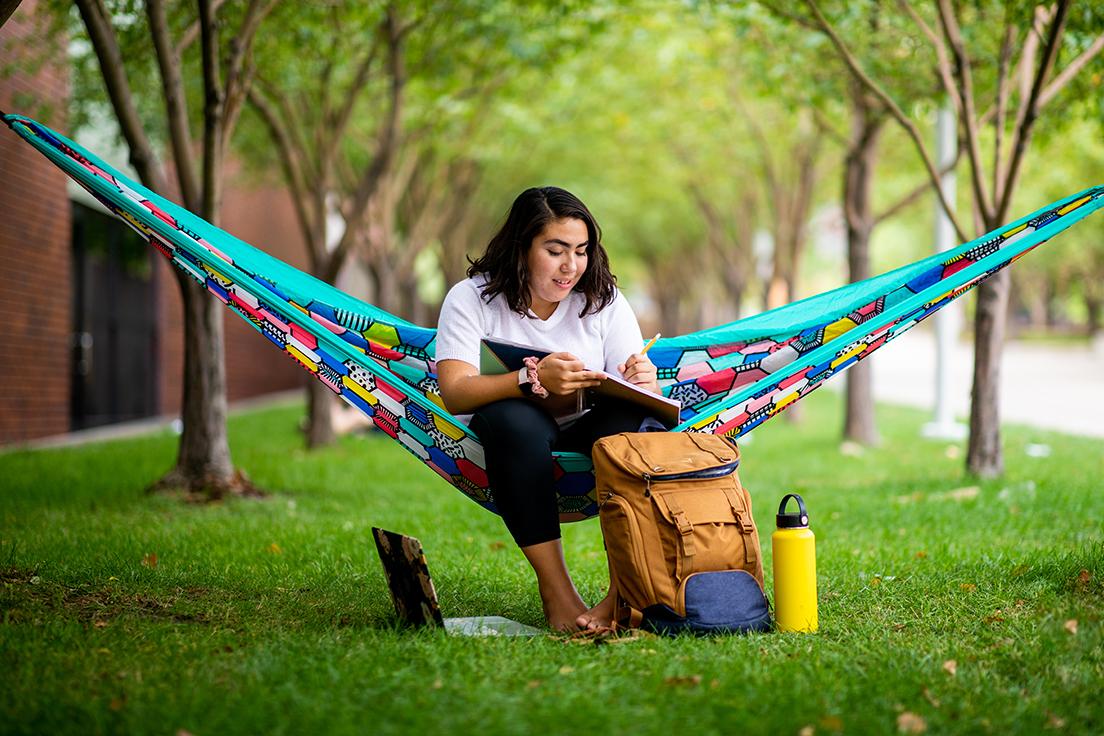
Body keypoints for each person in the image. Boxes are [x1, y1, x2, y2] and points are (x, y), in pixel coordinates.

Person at [435, 186, 661, 631]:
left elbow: (628, 376)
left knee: (634, 425)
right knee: (514, 421)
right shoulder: (471, 299)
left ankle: (622, 595)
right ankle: (558, 595)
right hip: (511, 438)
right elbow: (456, 391)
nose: (570, 266)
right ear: (521, 247)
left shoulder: (602, 298)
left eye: (580, 251)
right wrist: (529, 379)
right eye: (555, 250)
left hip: (587, 427)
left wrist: (642, 379)